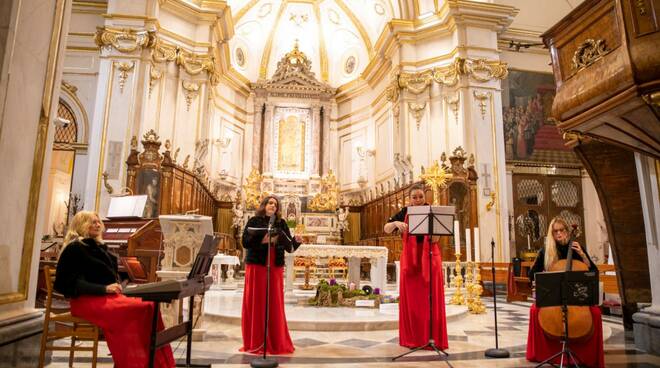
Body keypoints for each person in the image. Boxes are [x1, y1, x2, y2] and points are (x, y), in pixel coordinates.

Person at [54, 211, 175, 368]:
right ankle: (133, 363)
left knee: (151, 305)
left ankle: (159, 363)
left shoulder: (98, 247)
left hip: (107, 298)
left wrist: (119, 286)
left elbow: (109, 277)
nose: (98, 225)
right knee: (136, 310)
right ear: (81, 225)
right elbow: (67, 283)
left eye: (98, 222)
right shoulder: (75, 248)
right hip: (85, 300)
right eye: (92, 222)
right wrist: (104, 289)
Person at [526, 216, 604, 368]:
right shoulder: (546, 251)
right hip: (554, 299)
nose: (559, 234)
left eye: (562, 230)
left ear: (568, 231)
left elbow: (593, 272)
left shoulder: (576, 248)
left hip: (576, 298)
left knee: (595, 313)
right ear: (552, 234)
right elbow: (532, 275)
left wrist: (583, 256)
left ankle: (586, 356)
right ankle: (544, 354)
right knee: (534, 310)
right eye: (555, 231)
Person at [383, 184, 448, 350]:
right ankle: (413, 337)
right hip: (410, 261)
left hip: (430, 258)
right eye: (414, 197)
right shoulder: (404, 212)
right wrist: (396, 223)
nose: (418, 200)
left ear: (424, 197)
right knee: (413, 301)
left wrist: (433, 231)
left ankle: (431, 338)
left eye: (420, 196)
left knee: (430, 299)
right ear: (409, 199)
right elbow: (387, 228)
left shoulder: (432, 212)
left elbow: (435, 240)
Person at [240, 196, 302, 355]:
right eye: (270, 203)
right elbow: (245, 242)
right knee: (257, 302)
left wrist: (296, 241)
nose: (273, 206)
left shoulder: (281, 223)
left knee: (274, 303)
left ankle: (274, 341)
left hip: (274, 266)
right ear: (264, 205)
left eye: (275, 204)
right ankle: (256, 341)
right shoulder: (254, 221)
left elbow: (289, 248)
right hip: (257, 265)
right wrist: (262, 241)